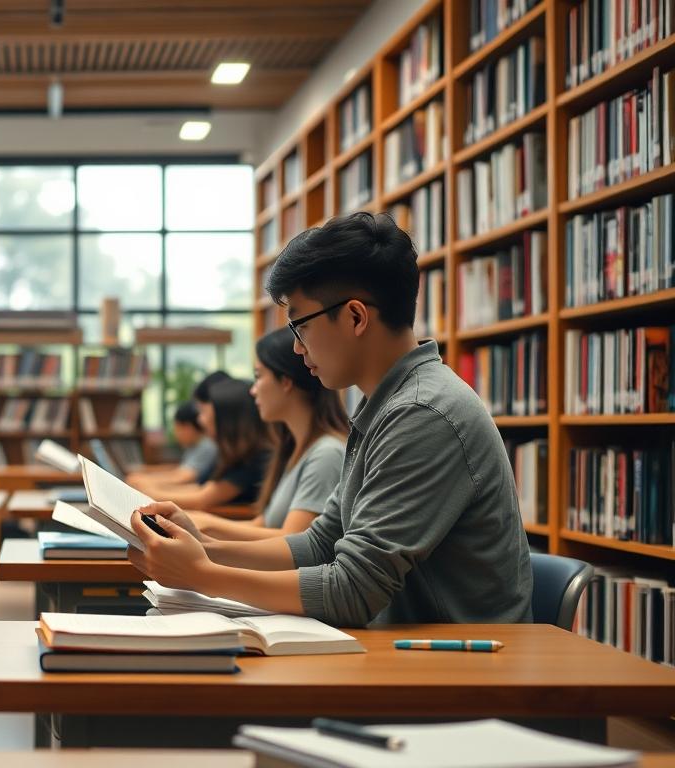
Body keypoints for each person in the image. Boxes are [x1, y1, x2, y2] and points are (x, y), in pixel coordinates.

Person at [130, 212, 532, 627]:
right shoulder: (386, 404)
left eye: (300, 325)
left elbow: (353, 590)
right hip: (405, 651)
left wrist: (203, 575)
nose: (298, 348)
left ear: (356, 317)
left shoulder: (421, 412)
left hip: (463, 667)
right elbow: (323, 543)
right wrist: (205, 547)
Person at [189, 328, 347, 541]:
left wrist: (206, 525)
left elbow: (292, 543)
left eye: (258, 377)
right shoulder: (294, 449)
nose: (253, 390)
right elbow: (261, 524)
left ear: (285, 382)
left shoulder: (326, 454)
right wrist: (199, 523)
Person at [129, 377, 271, 509]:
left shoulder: (252, 460)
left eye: (204, 412)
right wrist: (148, 489)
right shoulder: (234, 454)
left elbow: (201, 498)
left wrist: (145, 492)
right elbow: (201, 488)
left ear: (226, 422)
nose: (200, 421)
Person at [125, 400, 219, 487]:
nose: (175, 433)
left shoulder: (206, 446)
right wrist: (146, 470)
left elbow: (183, 478)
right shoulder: (195, 445)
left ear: (188, 427)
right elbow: (181, 469)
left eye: (177, 428)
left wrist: (146, 480)